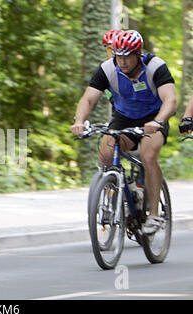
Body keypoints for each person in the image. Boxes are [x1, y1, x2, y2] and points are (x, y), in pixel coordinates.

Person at [71, 30, 177, 234]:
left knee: (148, 155)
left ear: (138, 54)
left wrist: (158, 121)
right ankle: (125, 193)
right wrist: (79, 121)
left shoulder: (156, 67)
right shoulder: (107, 69)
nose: (122, 61)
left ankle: (154, 215)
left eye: (127, 56)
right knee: (106, 154)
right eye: (118, 55)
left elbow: (170, 100)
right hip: (124, 117)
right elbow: (88, 98)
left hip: (154, 118)